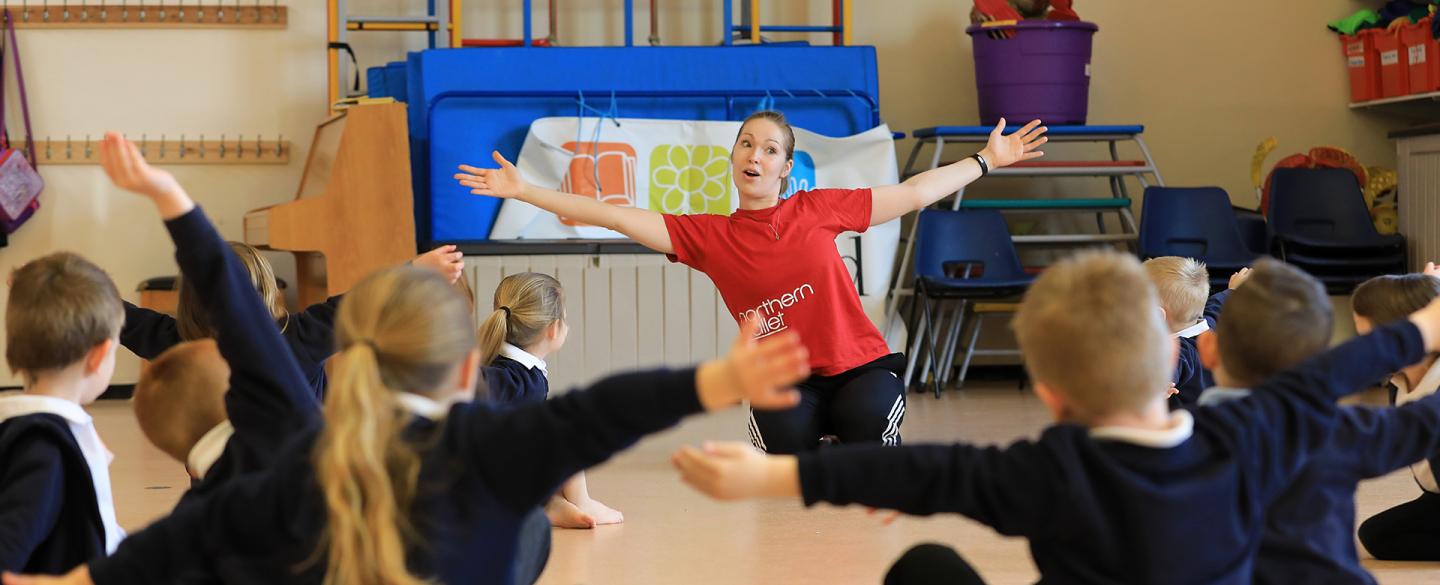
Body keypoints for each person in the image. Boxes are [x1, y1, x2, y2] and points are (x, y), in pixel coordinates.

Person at [456, 112, 1047, 453]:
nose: (755, 155)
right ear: (734, 158)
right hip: (785, 377)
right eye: (746, 144)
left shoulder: (819, 208)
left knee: (868, 432)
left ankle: (850, 429)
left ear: (787, 168)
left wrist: (987, 160)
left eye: (770, 149)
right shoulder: (709, 237)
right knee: (786, 452)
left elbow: (915, 194)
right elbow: (612, 215)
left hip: (858, 366)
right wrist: (524, 190)